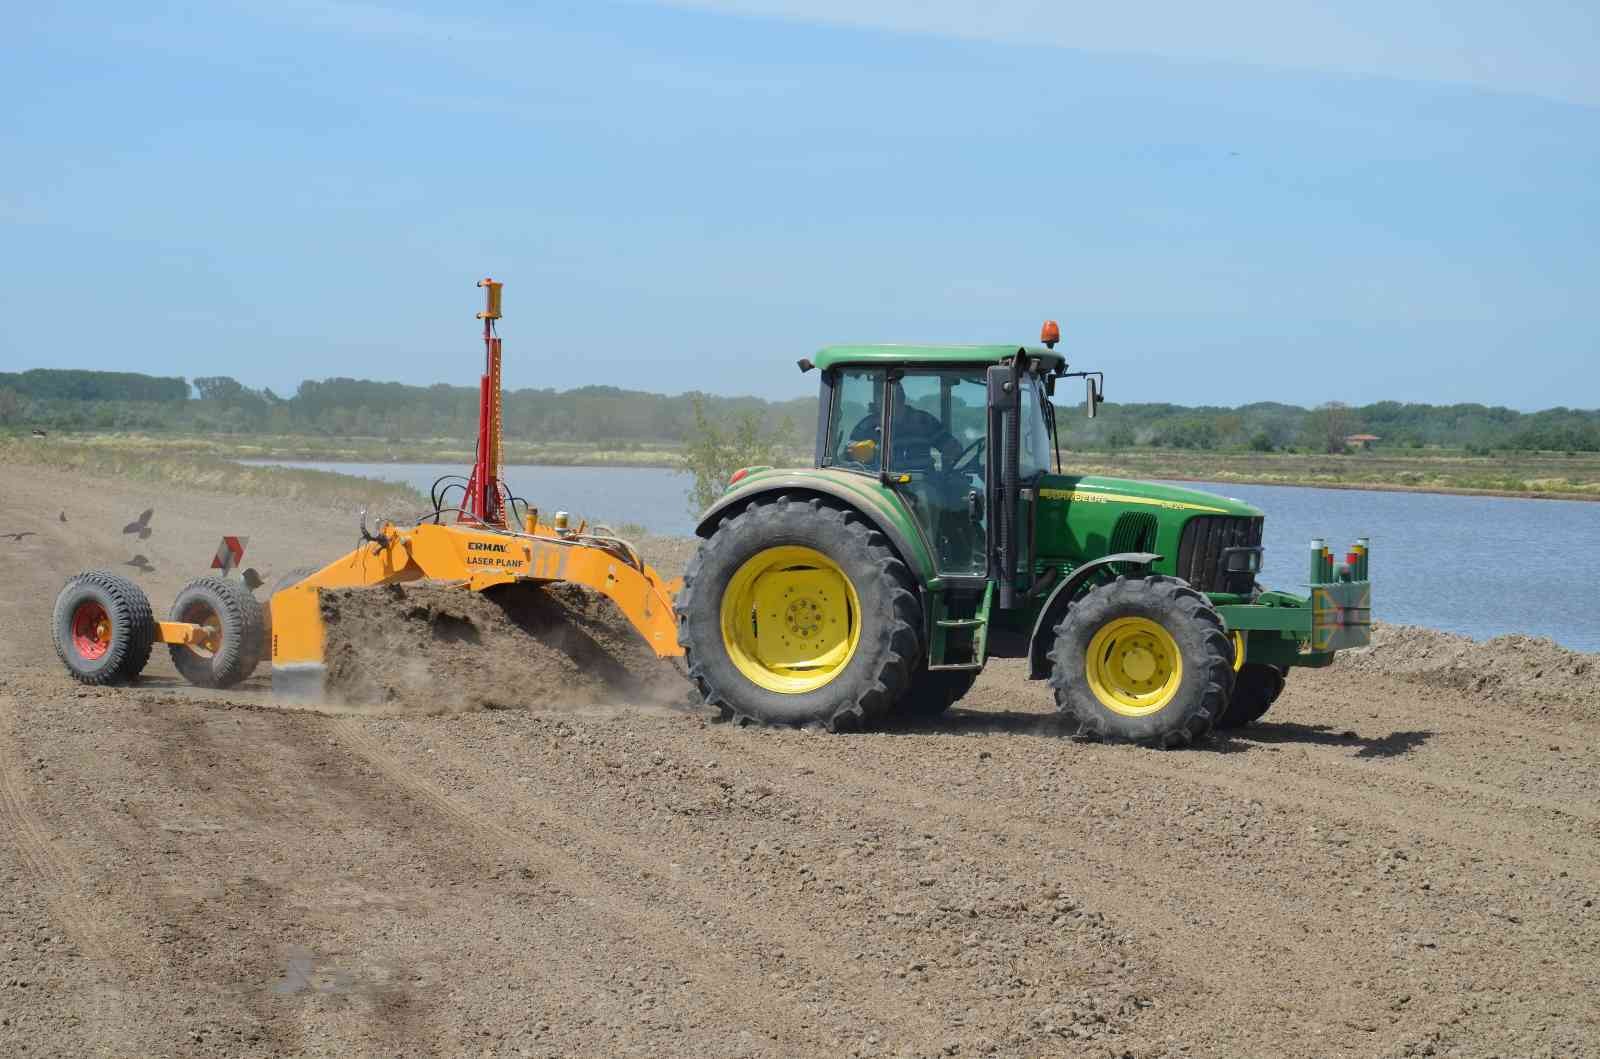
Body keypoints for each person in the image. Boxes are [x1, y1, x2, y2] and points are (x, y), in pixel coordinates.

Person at [848, 381, 963, 472]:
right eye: (881, 398)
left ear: (901, 398)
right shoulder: (867, 426)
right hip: (880, 483)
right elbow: (847, 455)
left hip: (922, 481)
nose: (883, 403)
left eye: (893, 398)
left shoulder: (924, 421)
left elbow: (953, 448)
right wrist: (855, 451)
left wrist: (951, 453)